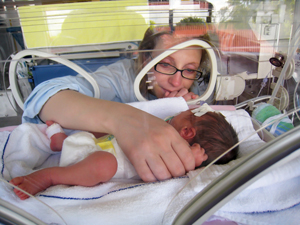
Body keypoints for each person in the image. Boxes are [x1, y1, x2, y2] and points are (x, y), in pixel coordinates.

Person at [22, 26, 212, 182]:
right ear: (146, 59)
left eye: (189, 70)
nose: (177, 82)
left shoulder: (191, 92)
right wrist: (123, 120)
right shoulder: (121, 77)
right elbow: (45, 97)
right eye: (165, 64)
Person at [10, 106, 239, 200]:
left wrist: (192, 160)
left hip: (104, 161)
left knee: (104, 164)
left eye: (188, 113)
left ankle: (51, 175)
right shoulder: (161, 126)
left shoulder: (180, 157)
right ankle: (62, 142)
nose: (179, 111)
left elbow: (176, 172)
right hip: (94, 144)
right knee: (104, 128)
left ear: (187, 131)